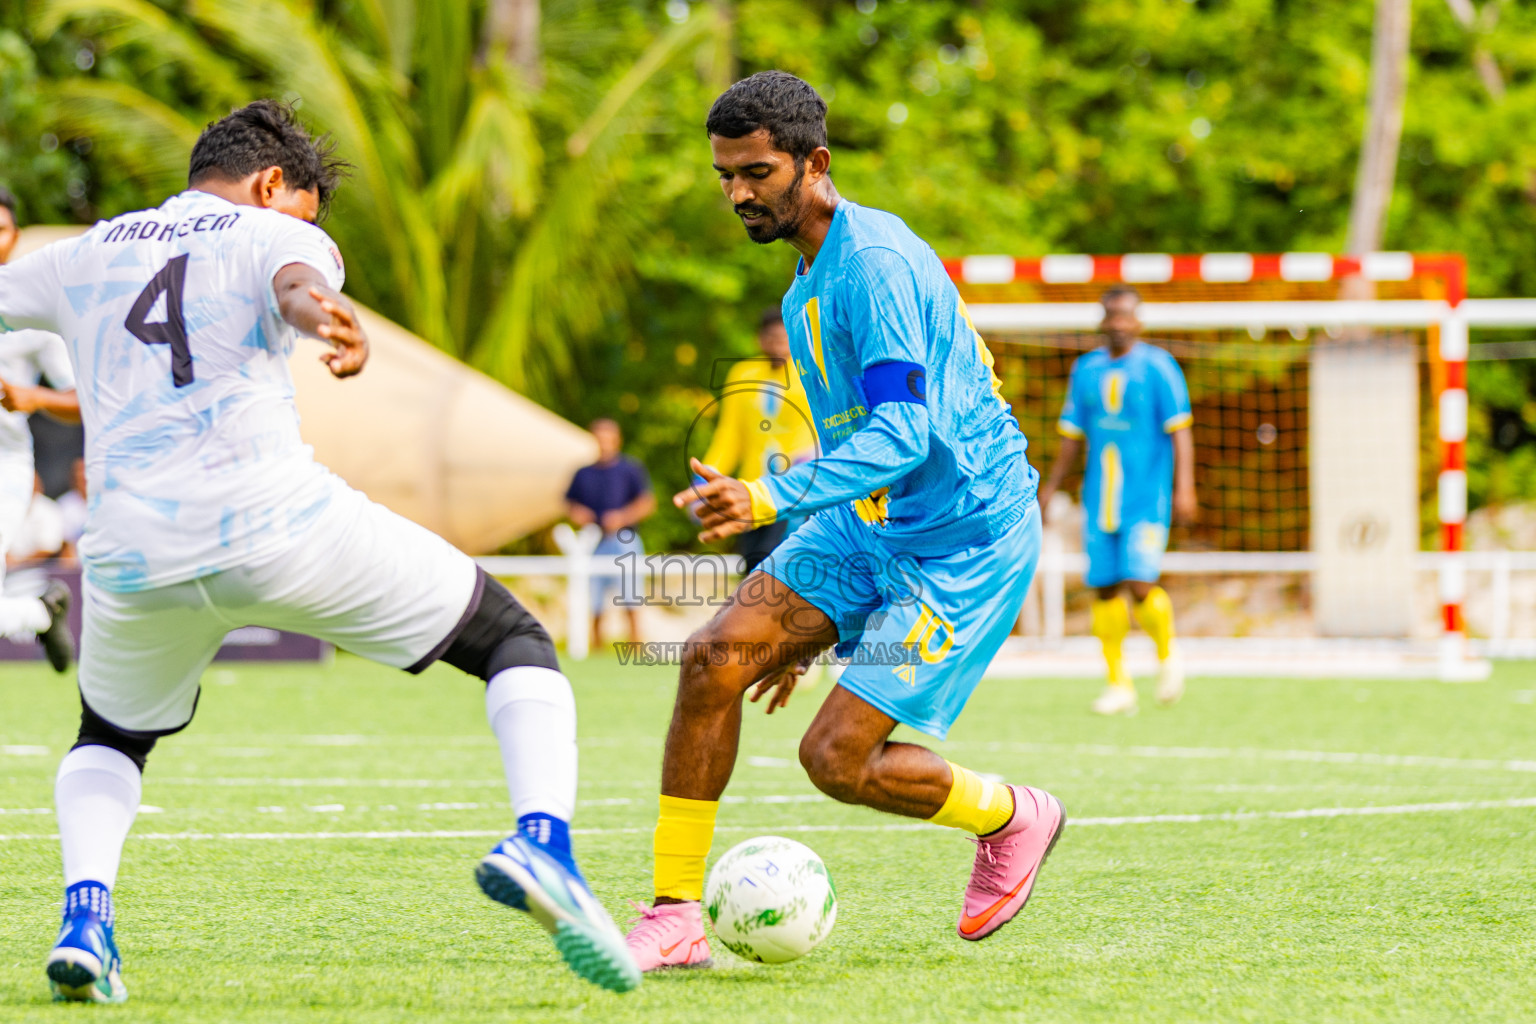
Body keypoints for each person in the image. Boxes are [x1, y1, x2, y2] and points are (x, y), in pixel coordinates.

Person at [0, 101, 638, 1002]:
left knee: (108, 735)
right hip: (274, 526)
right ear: (270, 186)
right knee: (511, 641)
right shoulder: (270, 233)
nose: (302, 227)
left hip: (133, 557)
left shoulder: (84, 252)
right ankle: (544, 843)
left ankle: (86, 920)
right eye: (302, 207)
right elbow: (297, 280)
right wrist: (325, 313)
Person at [623, 72, 1066, 971]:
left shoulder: (875, 266)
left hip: (965, 540)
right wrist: (809, 618)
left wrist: (765, 496)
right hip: (867, 529)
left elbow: (906, 434)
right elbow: (860, 443)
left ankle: (1014, 815)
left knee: (836, 761)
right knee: (714, 660)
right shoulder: (804, 282)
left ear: (814, 164)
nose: (738, 192)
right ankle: (674, 916)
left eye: (756, 172)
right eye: (725, 175)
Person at [1036, 286, 1197, 716]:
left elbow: (1180, 431)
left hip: (1147, 498)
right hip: (1099, 499)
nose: (1118, 324)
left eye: (1125, 316)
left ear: (1139, 321)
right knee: (1104, 590)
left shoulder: (1159, 367)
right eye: (1111, 316)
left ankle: (1168, 657)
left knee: (1141, 584)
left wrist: (1186, 487)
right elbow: (1072, 436)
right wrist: (1050, 486)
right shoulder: (1085, 370)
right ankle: (1118, 683)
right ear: (1102, 321)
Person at [0, 186, 77, 669]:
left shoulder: (34, 316)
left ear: (15, 237)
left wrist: (31, 397)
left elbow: (83, 399)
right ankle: (39, 613)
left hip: (4, 467)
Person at [700, 307, 818, 572]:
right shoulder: (743, 374)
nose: (777, 346)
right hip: (751, 489)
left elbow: (825, 427)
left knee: (785, 568)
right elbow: (729, 434)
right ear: (760, 339)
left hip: (795, 488)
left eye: (783, 338)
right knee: (753, 568)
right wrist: (708, 475)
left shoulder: (809, 370)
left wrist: (811, 459)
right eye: (771, 338)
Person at [565, 418, 654, 649]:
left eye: (608, 439)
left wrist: (622, 518)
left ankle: (636, 648)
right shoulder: (583, 473)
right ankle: (595, 648)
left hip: (625, 540)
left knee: (631, 597)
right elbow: (569, 503)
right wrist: (580, 514)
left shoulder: (630, 469)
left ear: (617, 440)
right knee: (594, 600)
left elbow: (646, 503)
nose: (604, 444)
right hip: (593, 540)